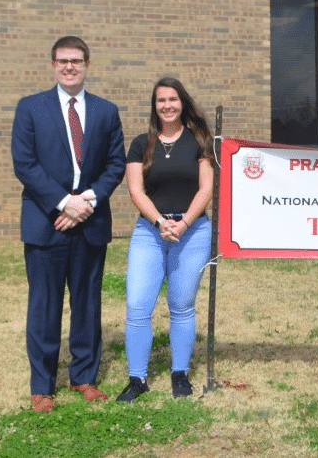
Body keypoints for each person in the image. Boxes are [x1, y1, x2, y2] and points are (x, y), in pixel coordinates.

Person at [11, 35, 126, 412]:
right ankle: (42, 385)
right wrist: (64, 203)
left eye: (76, 60)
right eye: (62, 61)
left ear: (87, 64)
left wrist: (86, 201)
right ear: (53, 65)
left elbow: (115, 165)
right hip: (47, 222)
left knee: (87, 304)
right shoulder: (31, 108)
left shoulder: (106, 111)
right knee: (44, 306)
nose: (69, 67)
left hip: (90, 223)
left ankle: (84, 376)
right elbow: (24, 164)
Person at [117, 77, 215, 401]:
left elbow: (206, 188)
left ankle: (179, 374)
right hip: (150, 231)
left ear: (182, 103)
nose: (167, 105)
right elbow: (136, 191)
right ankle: (137, 379)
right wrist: (160, 221)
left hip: (192, 231)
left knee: (182, 306)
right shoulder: (140, 144)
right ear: (154, 105)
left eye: (173, 99)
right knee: (137, 306)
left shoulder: (200, 141)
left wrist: (183, 223)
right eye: (161, 100)